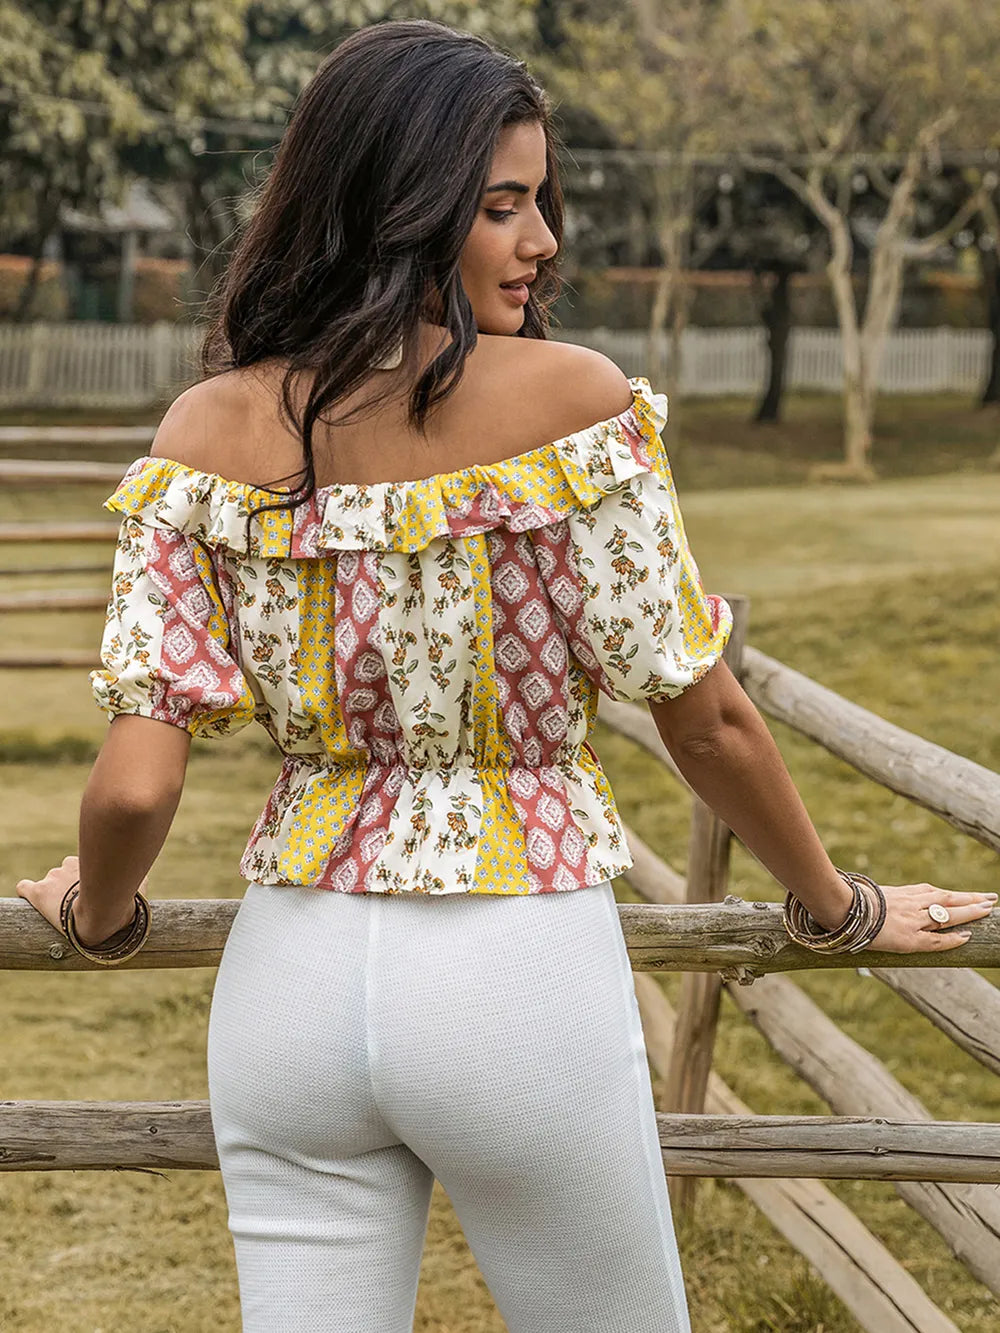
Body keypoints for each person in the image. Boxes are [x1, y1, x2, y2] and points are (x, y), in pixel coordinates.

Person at [16, 18, 996, 1333]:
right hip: (516, 959)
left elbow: (134, 790)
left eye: (542, 204)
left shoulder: (204, 430)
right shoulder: (575, 406)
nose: (544, 242)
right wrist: (832, 906)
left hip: (288, 987)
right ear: (399, 211)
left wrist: (104, 912)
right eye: (503, 206)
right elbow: (704, 718)